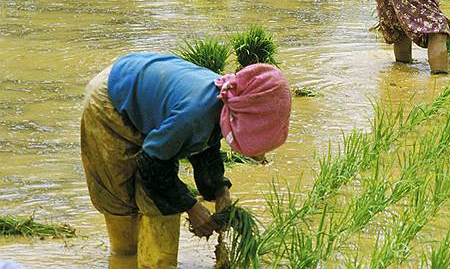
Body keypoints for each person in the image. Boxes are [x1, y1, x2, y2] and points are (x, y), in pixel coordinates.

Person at [81, 54, 292, 269]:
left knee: (157, 201)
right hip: (111, 96)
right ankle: (124, 258)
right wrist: (190, 207)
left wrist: (218, 188)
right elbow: (151, 163)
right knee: (120, 194)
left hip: (152, 93)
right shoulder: (195, 113)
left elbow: (204, 145)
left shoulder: (228, 102)